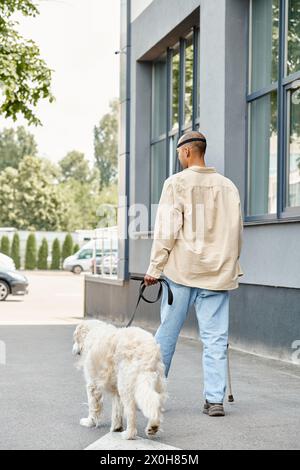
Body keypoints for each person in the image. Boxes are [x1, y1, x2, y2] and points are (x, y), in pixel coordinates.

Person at [144, 130, 244, 417]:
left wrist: (154, 268)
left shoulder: (175, 184)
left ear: (187, 151)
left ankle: (152, 393)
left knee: (166, 336)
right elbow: (237, 232)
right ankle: (215, 400)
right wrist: (231, 263)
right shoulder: (228, 187)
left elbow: (166, 231)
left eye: (178, 153)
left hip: (182, 274)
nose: (179, 158)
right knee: (215, 339)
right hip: (217, 275)